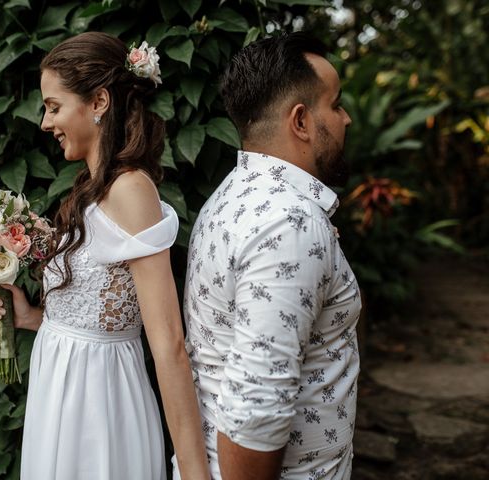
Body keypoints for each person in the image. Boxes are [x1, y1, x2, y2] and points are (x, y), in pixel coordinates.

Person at [0, 32, 209, 480]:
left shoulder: (131, 190)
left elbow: (168, 344)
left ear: (99, 101)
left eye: (53, 106)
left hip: (100, 405)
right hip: (60, 397)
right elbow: (94, 312)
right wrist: (29, 317)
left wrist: (194, 471)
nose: (45, 123)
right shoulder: (88, 194)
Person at [181, 32, 361, 480]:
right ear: (300, 121)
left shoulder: (231, 196)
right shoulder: (288, 226)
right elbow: (255, 413)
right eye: (336, 104)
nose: (347, 119)